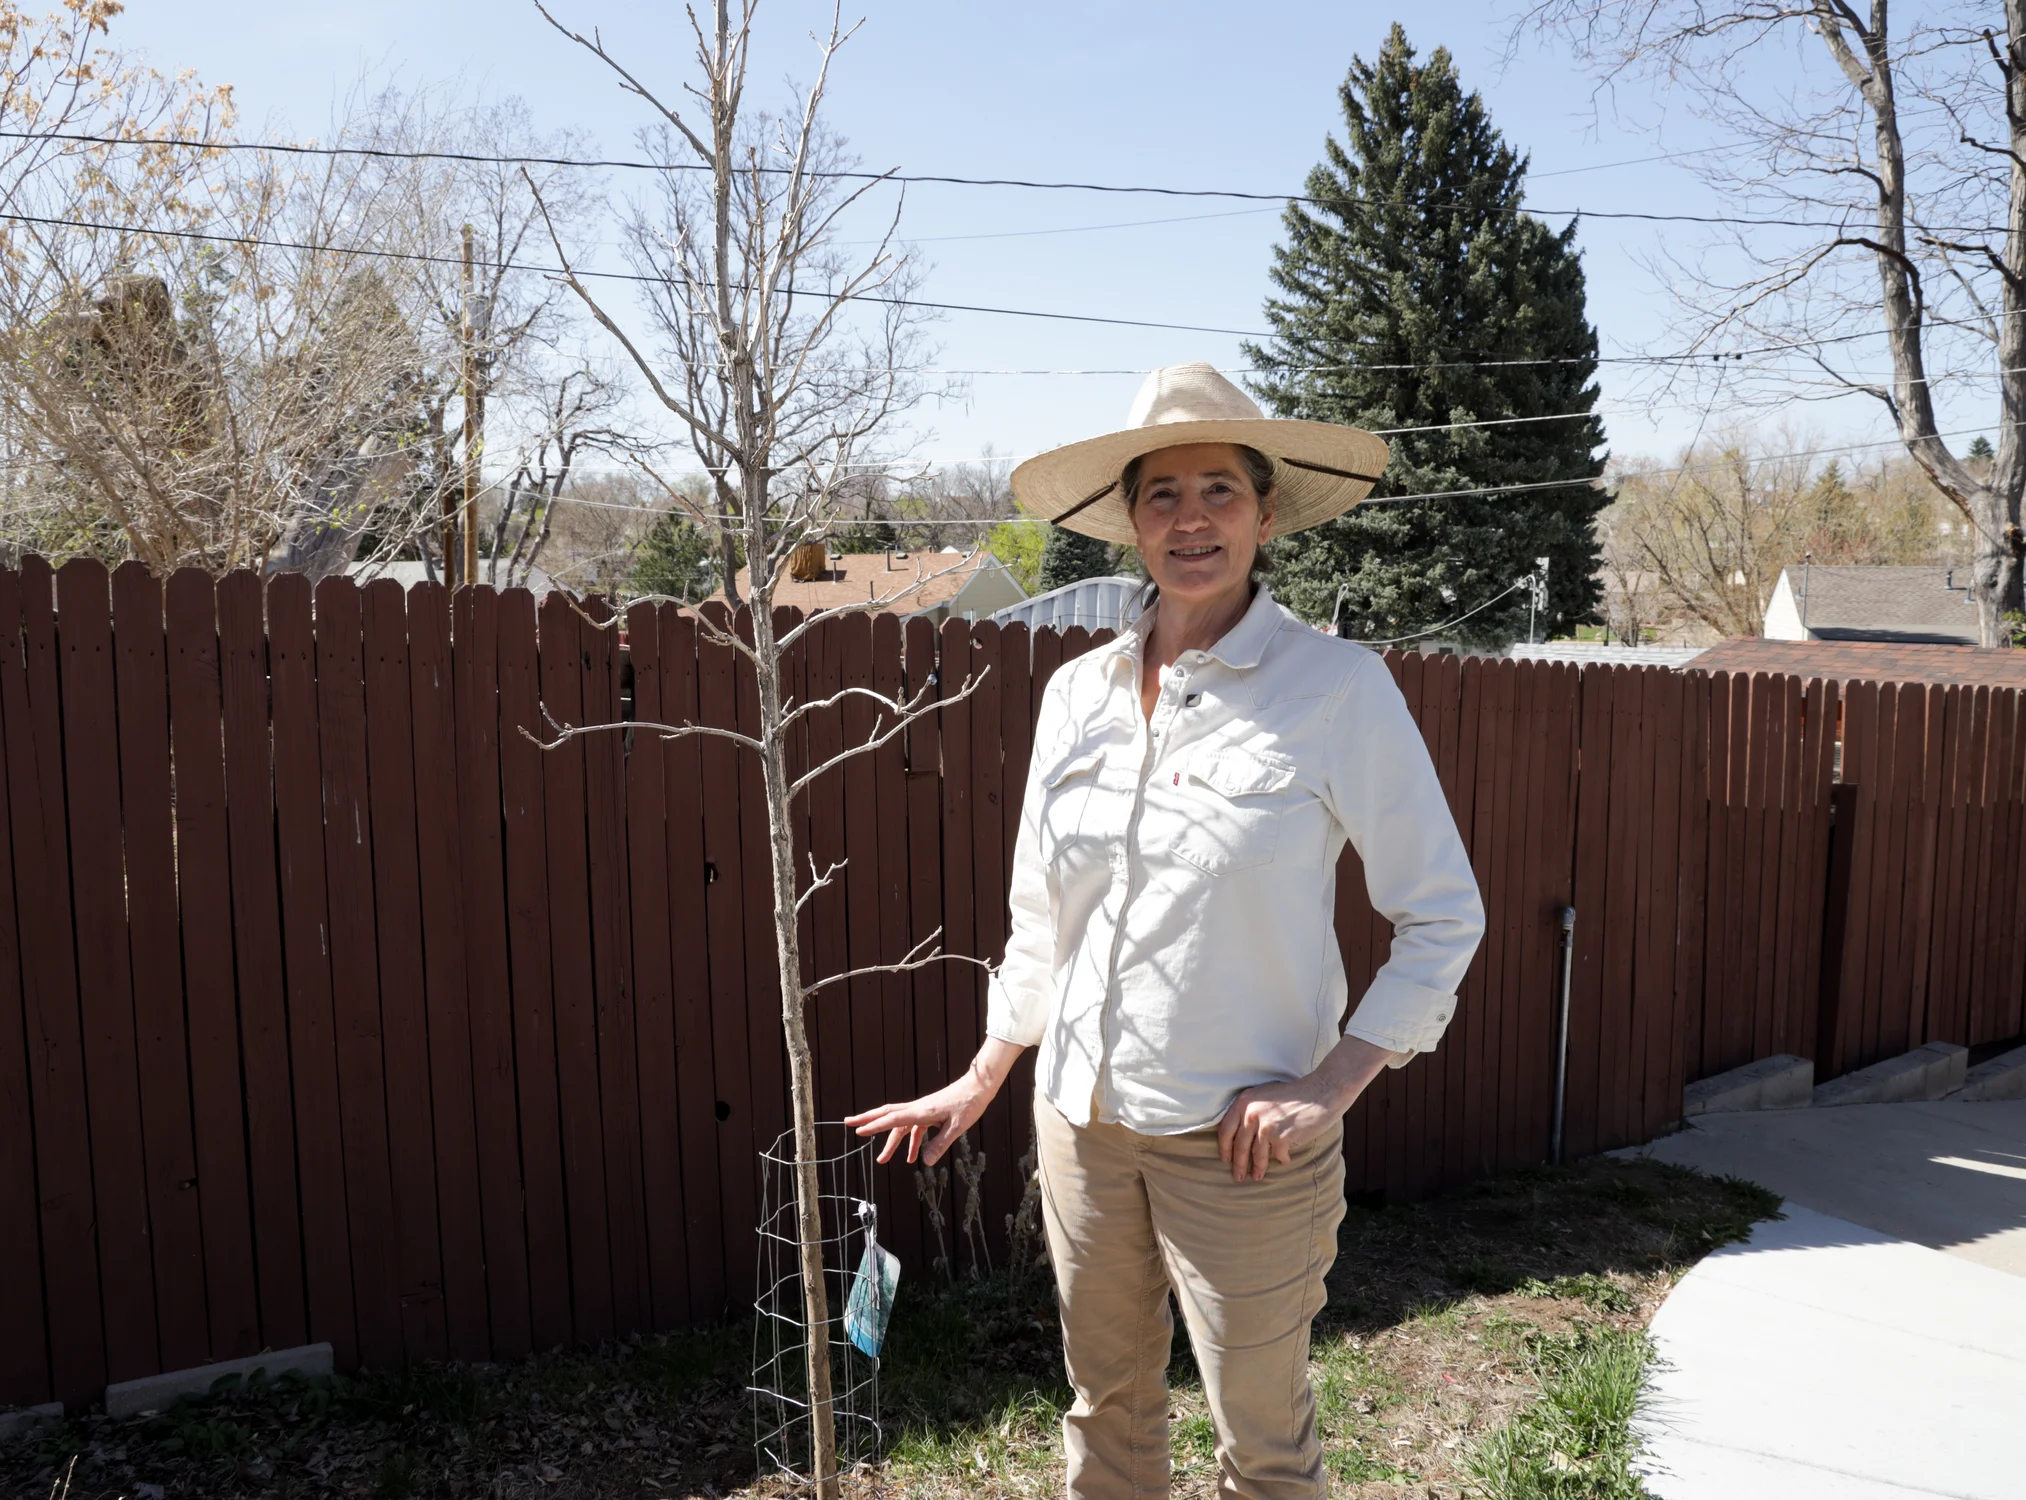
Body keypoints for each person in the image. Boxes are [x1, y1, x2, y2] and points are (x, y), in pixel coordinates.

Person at [845, 363, 1485, 1500]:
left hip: (1243, 1146)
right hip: (1081, 1126)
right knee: (1108, 1412)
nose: (1191, 520)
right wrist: (988, 1073)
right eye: (1163, 495)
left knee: (1265, 1447)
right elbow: (1043, 915)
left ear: (1266, 511)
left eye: (1220, 491)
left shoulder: (1335, 690)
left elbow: (1442, 916)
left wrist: (1331, 1084)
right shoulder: (1075, 694)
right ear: (1131, 523)